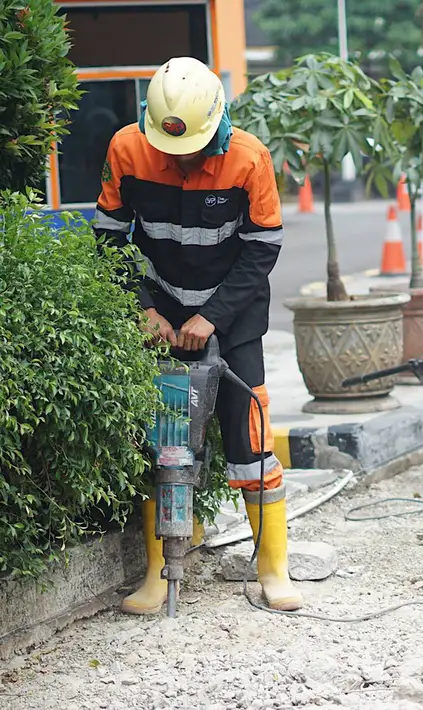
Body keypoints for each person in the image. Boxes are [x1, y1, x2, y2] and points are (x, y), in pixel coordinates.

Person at [92, 57, 302, 614]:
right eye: (168, 145)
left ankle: (273, 568)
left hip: (232, 322)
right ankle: (163, 572)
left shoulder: (249, 159)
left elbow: (263, 249)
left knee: (250, 439)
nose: (178, 156)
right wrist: (142, 309)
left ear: (217, 119)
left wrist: (212, 315)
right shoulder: (128, 149)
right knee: (169, 443)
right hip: (161, 315)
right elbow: (109, 239)